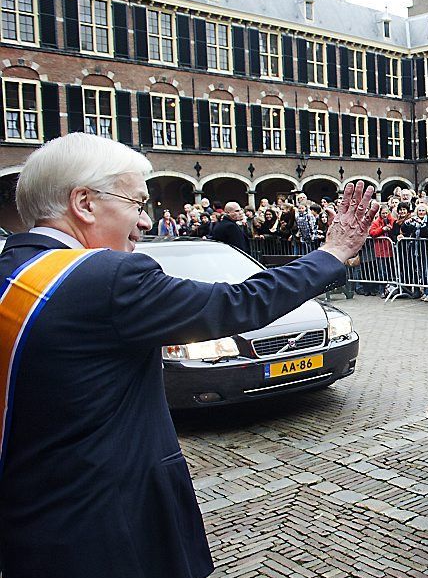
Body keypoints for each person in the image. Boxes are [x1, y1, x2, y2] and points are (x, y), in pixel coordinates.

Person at [0, 133, 377, 578]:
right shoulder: (105, 278)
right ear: (83, 202)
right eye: (137, 204)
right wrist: (331, 255)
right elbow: (238, 303)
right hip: (107, 524)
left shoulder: (11, 272)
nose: (144, 222)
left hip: (29, 521)